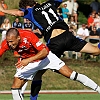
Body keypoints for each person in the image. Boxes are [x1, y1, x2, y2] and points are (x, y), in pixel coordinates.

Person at [1, 0, 100, 99]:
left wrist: (2, 10)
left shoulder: (30, 11)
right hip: (68, 36)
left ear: (27, 7)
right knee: (96, 51)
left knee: (38, 73)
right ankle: (98, 89)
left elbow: (18, 13)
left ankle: (33, 98)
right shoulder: (50, 3)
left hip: (54, 42)